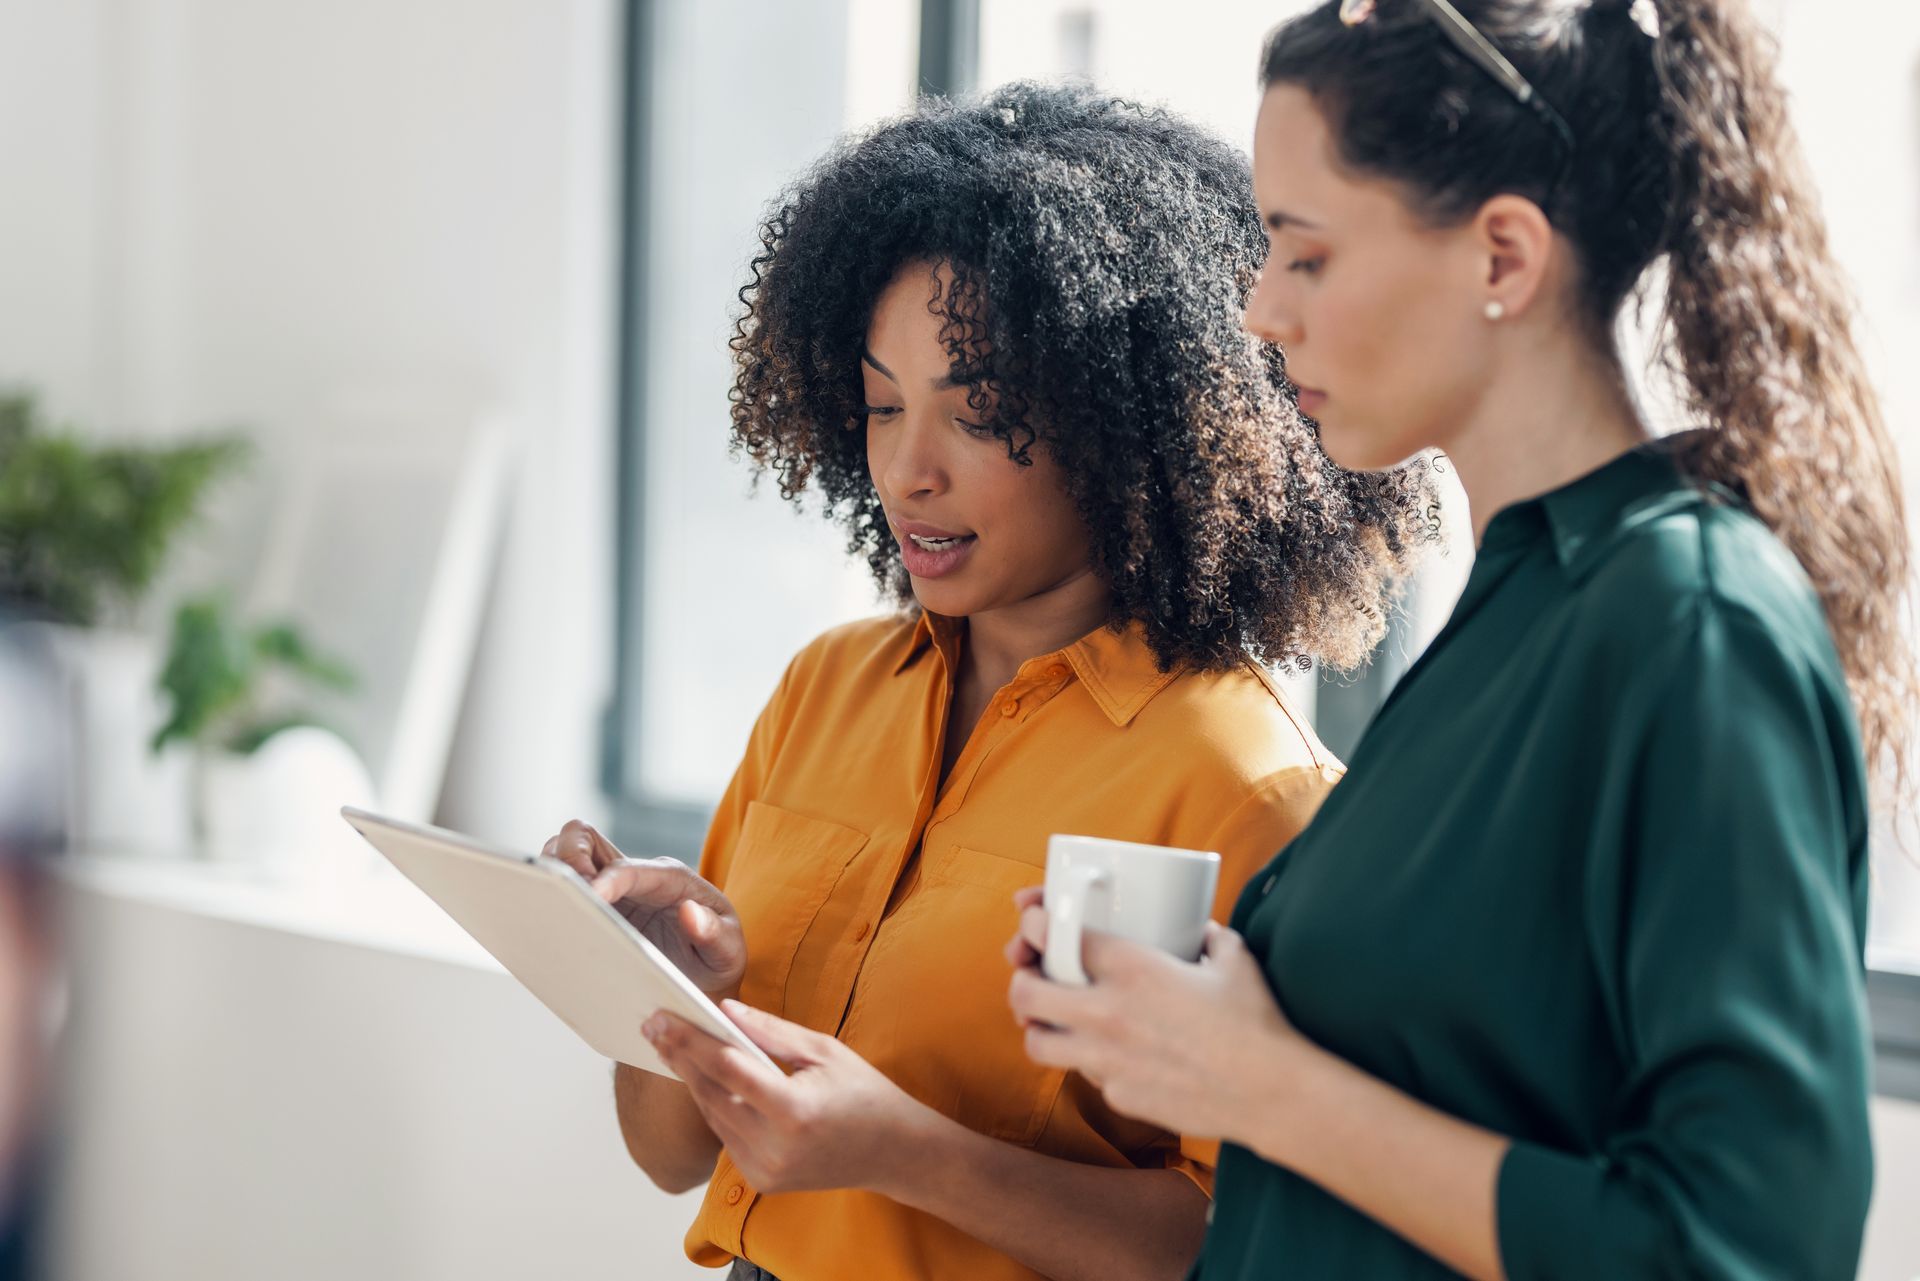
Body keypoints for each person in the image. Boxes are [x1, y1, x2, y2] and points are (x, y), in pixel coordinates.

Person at [1008, 3, 1915, 1279]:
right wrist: (1191, 1027)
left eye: (1305, 256)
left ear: (1502, 257)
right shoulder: (1516, 608)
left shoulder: (1689, 624)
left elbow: (1743, 1250)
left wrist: (1259, 1085)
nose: (1260, 311)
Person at [541, 82, 1430, 1281]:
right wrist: (670, 989)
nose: (910, 472)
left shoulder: (1240, 791)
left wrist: (905, 1152)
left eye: (981, 415)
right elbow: (671, 1159)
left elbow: (1244, 1247)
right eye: (880, 406)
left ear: (1134, 424)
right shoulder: (826, 690)